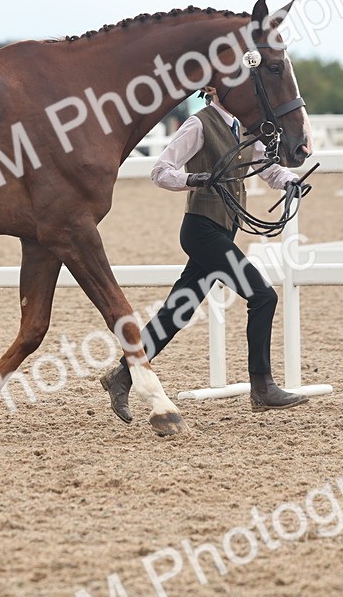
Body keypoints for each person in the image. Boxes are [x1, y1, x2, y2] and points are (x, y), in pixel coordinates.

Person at [99, 87, 312, 422]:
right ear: (212, 90)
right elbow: (160, 171)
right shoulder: (199, 124)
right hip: (201, 230)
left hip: (225, 229)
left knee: (176, 312)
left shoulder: (245, 126)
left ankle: (122, 376)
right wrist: (194, 179)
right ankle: (262, 386)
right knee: (263, 296)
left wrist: (289, 181)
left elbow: (266, 167)